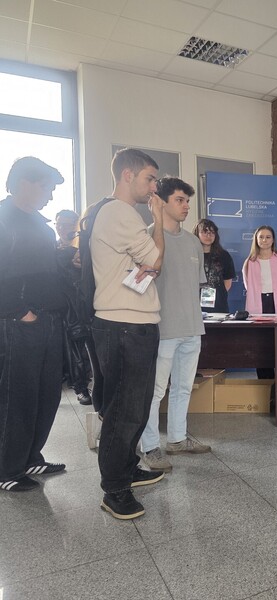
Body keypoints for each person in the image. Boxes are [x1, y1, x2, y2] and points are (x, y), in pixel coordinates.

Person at [89, 148, 167, 519]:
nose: (154, 187)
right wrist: (158, 219)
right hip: (124, 325)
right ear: (127, 175)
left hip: (132, 322)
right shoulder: (119, 212)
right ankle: (114, 489)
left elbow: (144, 265)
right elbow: (155, 261)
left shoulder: (117, 214)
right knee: (125, 410)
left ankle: (127, 468)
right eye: (150, 178)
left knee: (135, 406)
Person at [0, 157, 67, 492]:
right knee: (18, 395)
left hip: (48, 318)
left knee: (46, 393)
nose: (50, 195)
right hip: (18, 322)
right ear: (25, 183)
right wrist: (18, 310)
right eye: (46, 187)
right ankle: (6, 468)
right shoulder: (4, 218)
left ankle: (29, 457)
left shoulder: (41, 225)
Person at [139, 177, 209, 472]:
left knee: (183, 387)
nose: (186, 206)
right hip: (162, 329)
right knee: (154, 392)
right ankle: (150, 447)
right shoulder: (146, 237)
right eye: (180, 200)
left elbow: (195, 287)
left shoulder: (194, 242)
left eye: (187, 201)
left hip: (192, 328)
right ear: (161, 202)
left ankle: (177, 439)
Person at [242, 225, 277, 379]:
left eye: (268, 237)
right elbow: (247, 284)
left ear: (273, 240)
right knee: (261, 345)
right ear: (256, 240)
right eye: (261, 237)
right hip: (258, 306)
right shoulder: (250, 262)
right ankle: (265, 381)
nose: (264, 240)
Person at [54, 209, 93, 406]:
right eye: (59, 224)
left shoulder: (85, 248)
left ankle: (81, 387)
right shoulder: (51, 250)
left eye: (67, 224)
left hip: (79, 306)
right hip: (57, 306)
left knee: (79, 348)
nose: (62, 228)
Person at [193, 218, 236, 313]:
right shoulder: (190, 255)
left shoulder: (224, 255)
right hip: (194, 305)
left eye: (212, 232)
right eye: (205, 232)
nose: (209, 235)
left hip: (219, 306)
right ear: (197, 233)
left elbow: (227, 282)